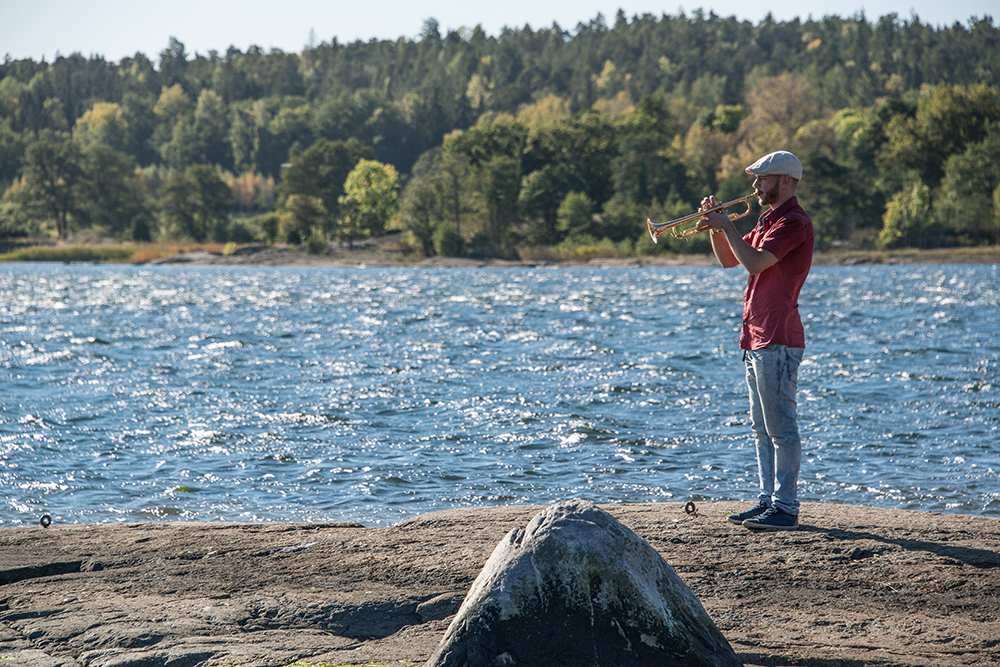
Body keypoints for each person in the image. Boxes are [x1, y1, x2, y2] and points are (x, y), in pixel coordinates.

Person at [695, 150, 814, 531]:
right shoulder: (767, 220)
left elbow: (756, 262)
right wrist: (716, 228)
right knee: (761, 428)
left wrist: (726, 224)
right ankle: (767, 501)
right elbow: (730, 260)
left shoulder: (793, 222)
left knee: (782, 428)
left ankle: (786, 506)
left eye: (763, 179)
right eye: (756, 179)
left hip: (778, 336)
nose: (755, 186)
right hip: (755, 336)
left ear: (785, 181)